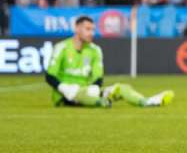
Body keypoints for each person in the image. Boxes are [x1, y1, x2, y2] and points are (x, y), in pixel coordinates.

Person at [45, 16, 173, 108]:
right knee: (81, 94)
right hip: (64, 95)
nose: (91, 33)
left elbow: (98, 76)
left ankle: (146, 101)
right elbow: (50, 75)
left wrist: (94, 87)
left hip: (87, 91)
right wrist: (64, 88)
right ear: (77, 28)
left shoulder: (95, 50)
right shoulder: (62, 47)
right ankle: (100, 102)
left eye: (93, 29)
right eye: (87, 29)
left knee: (122, 88)